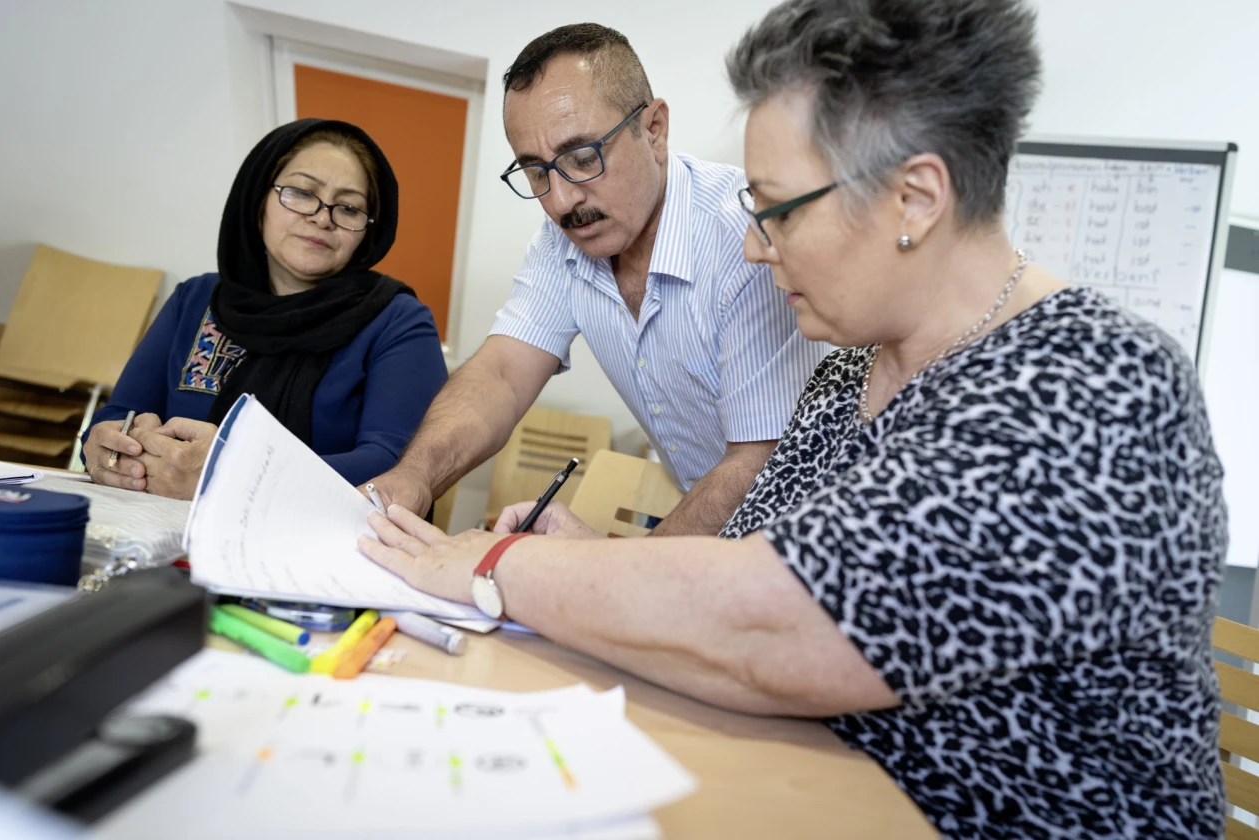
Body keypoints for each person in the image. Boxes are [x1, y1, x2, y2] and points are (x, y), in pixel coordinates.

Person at [357, 1, 1228, 836]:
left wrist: (499, 564)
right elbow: (743, 565)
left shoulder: (1096, 383)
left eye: (777, 211)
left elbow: (773, 622)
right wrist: (591, 565)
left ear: (915, 199)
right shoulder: (849, 372)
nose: (751, 245)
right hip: (818, 788)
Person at [367, 23, 828, 536]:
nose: (562, 202)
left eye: (583, 158)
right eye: (536, 172)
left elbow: (756, 462)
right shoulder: (560, 243)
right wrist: (415, 476)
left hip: (807, 528)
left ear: (654, 129)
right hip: (701, 525)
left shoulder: (742, 240)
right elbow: (501, 375)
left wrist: (614, 570)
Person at [82, 119, 446, 499]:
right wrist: (108, 450)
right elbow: (117, 418)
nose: (322, 217)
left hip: (314, 534)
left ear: (368, 230)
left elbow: (396, 467)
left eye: (349, 208)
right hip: (156, 524)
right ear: (258, 200)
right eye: (302, 192)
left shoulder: (397, 322)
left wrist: (235, 472)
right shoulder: (195, 300)